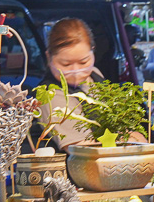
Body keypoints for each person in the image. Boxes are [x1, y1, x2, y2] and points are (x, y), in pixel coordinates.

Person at [33, 18, 104, 149]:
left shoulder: (95, 74)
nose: (76, 72)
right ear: (49, 57)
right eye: (66, 64)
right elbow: (83, 151)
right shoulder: (51, 95)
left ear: (93, 51)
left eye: (84, 62)